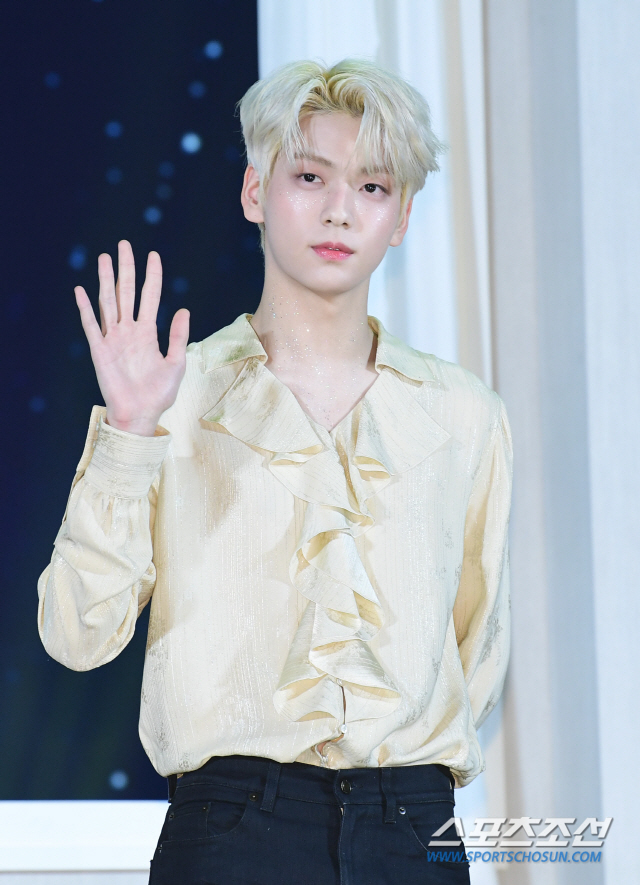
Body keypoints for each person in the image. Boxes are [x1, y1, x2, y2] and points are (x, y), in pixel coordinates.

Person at [38, 59, 513, 884]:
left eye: (373, 186)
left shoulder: (464, 413)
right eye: (310, 176)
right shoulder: (176, 391)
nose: (340, 210)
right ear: (255, 192)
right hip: (230, 830)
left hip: (413, 829)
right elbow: (77, 635)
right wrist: (130, 431)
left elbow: (477, 647)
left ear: (402, 216)